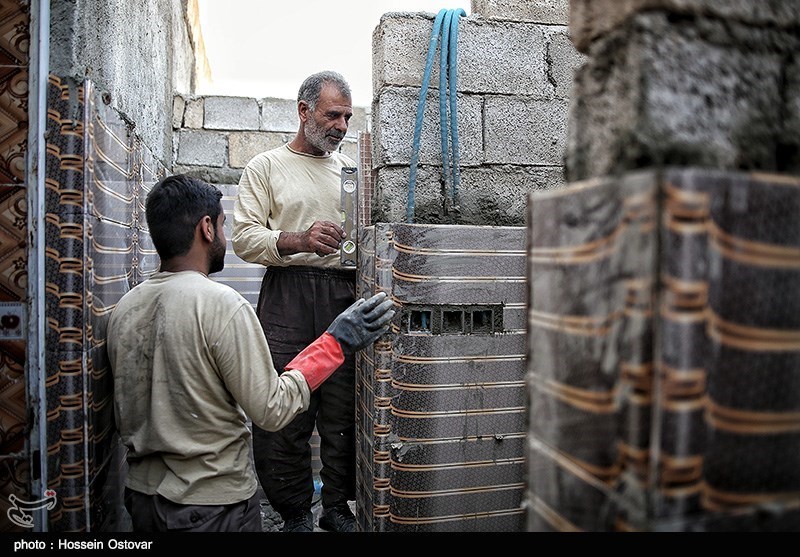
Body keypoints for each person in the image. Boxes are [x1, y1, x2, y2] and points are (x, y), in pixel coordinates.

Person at [106, 174, 394, 532]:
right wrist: (336, 342)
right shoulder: (221, 306)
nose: (225, 238)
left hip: (142, 501)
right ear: (207, 228)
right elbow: (272, 410)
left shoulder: (125, 308)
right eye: (224, 226)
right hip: (211, 507)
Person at [232, 70, 362, 532]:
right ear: (304, 111)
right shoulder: (265, 167)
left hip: (343, 294)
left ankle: (335, 507)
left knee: (343, 409)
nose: (342, 125)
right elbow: (245, 238)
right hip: (287, 295)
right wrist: (300, 239)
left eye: (347, 116)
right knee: (285, 409)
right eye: (333, 115)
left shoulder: (352, 172)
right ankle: (293, 513)